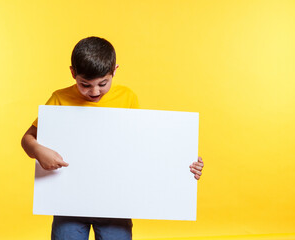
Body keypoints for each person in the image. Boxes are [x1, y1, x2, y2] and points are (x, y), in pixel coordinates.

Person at [21, 36, 204, 240]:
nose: (94, 91)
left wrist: (182, 161)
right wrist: (37, 150)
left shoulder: (127, 97)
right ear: (73, 73)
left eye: (102, 83)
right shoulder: (59, 98)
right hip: (69, 201)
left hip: (115, 202)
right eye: (85, 84)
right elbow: (27, 138)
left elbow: (143, 145)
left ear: (115, 71)